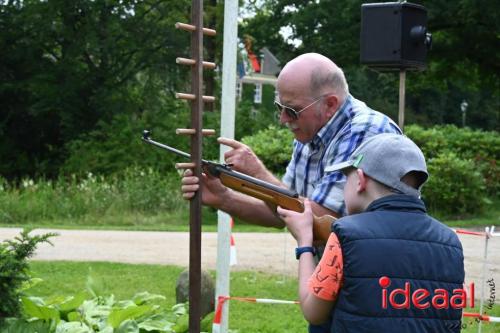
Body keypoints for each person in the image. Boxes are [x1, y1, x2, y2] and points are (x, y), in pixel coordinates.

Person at [182, 53, 401, 331]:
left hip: (374, 288)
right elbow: (284, 213)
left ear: (330, 104)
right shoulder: (309, 133)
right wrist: (223, 198)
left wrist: (258, 173)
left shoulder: (363, 130)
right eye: (279, 107)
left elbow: (318, 218)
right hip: (333, 281)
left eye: (292, 110)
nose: (283, 119)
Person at [278, 133, 465, 333]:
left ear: (359, 180)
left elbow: (313, 312)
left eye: (345, 178)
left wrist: (304, 242)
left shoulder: (346, 235)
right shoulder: (451, 242)